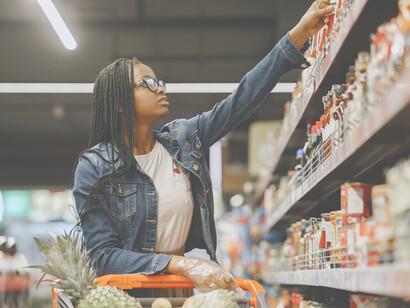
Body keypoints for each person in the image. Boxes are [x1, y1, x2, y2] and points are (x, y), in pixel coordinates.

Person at [72, 0, 335, 299]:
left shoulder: (182, 141)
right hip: (125, 300)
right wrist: (180, 264)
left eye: (159, 81)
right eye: (147, 83)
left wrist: (298, 34)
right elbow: (104, 257)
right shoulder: (94, 167)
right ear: (119, 103)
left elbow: (240, 100)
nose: (160, 88)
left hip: (182, 296)